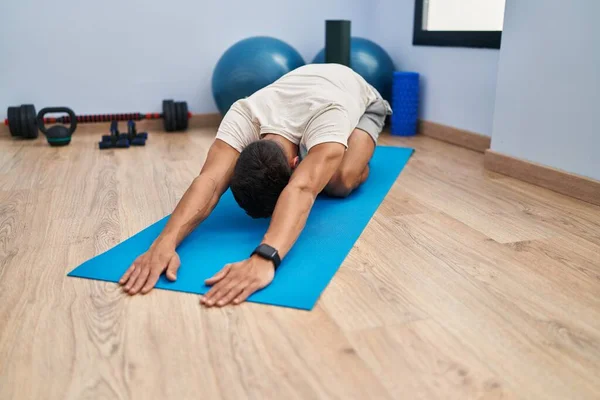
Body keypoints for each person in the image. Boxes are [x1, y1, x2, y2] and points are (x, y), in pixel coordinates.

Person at [118, 63, 391, 306]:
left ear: (296, 165)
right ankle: (320, 156)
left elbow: (303, 189)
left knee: (339, 182)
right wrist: (166, 241)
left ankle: (357, 152)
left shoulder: (330, 115)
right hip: (306, 84)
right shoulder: (245, 112)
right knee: (320, 170)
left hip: (357, 94)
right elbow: (210, 180)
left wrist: (265, 257)